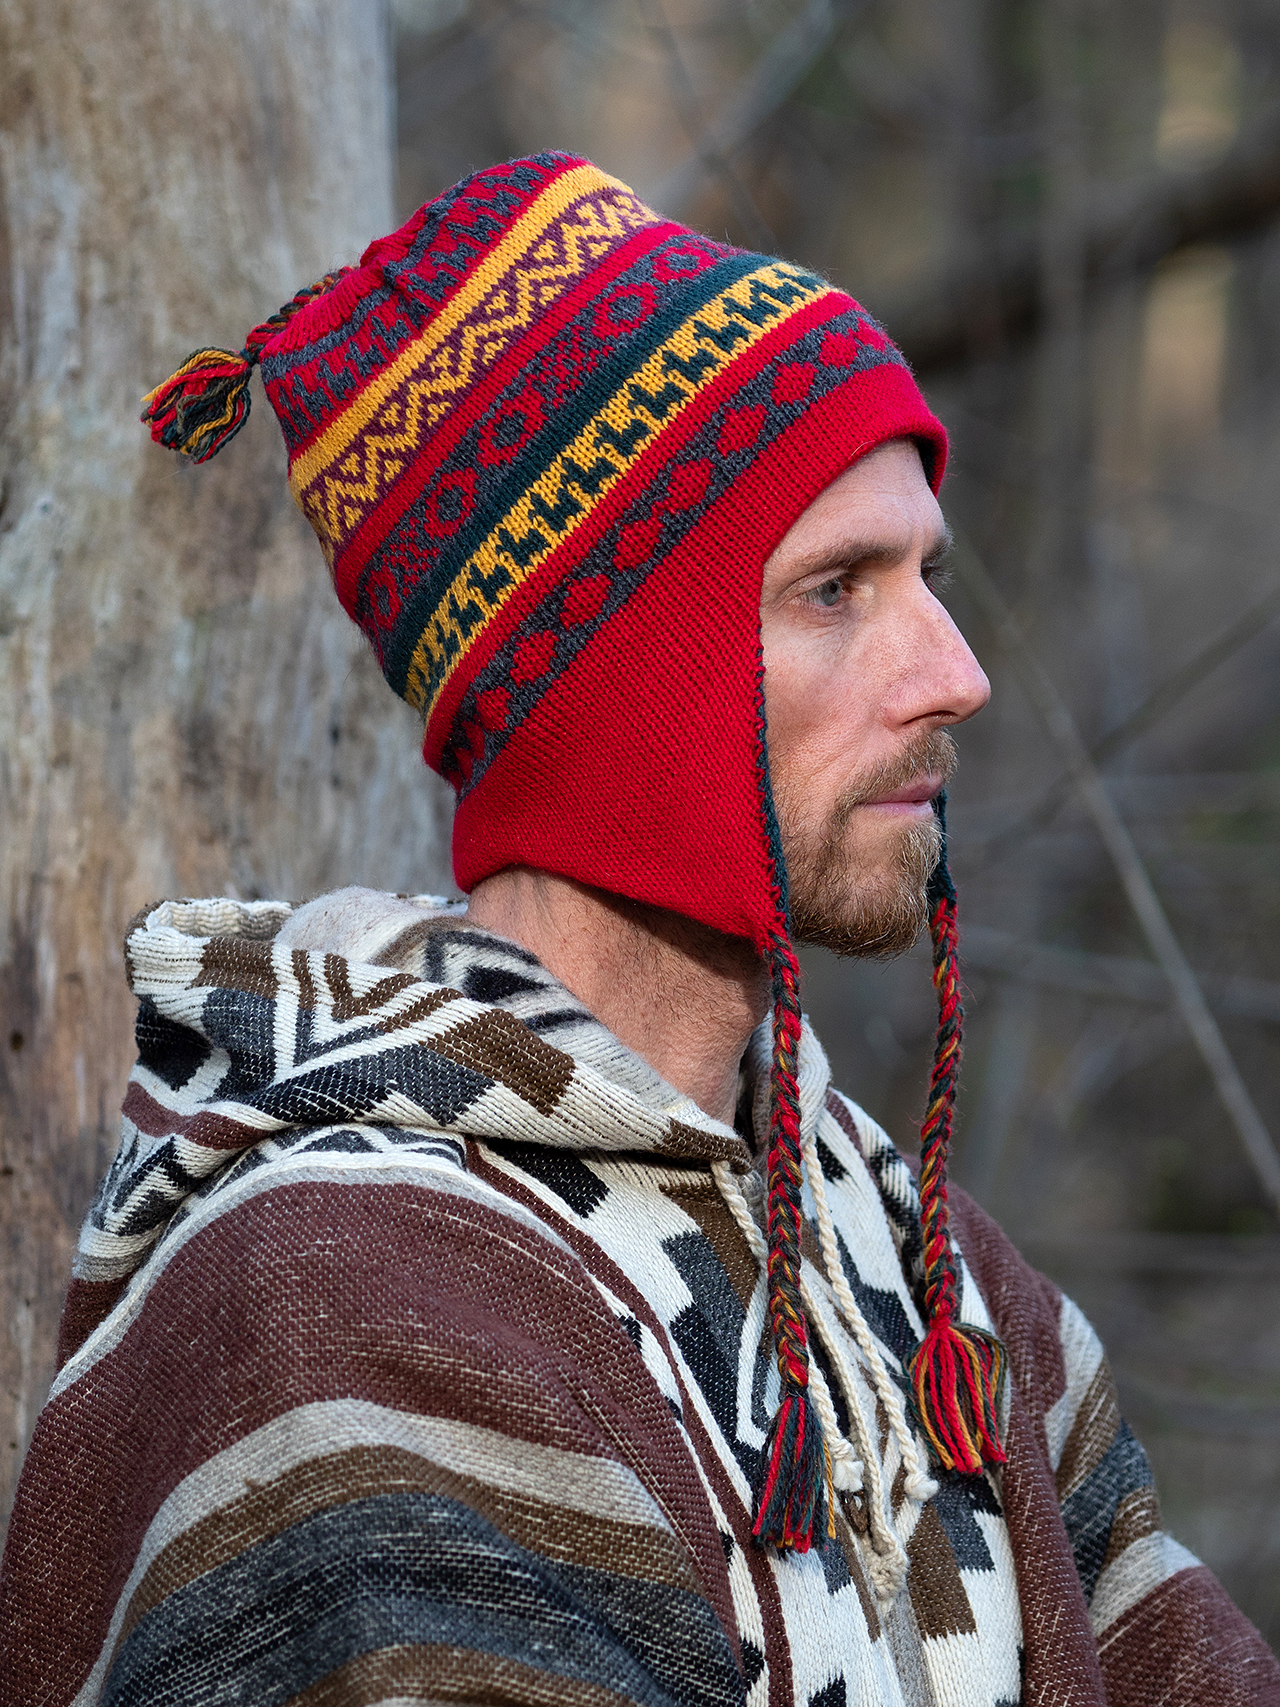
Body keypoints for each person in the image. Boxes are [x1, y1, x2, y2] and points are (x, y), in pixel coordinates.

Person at [1, 152, 1275, 1707]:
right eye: (837, 591)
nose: (956, 673)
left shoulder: (928, 1283)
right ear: (613, 699)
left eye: (926, 575)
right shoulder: (346, 1299)